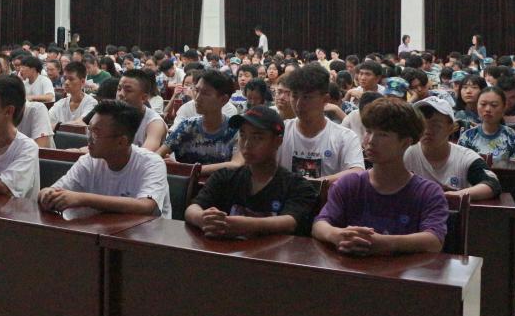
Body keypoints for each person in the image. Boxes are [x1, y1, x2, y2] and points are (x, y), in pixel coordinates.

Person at [312, 97, 449, 255]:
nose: (370, 141)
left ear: (405, 143)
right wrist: (336, 235)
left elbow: (434, 241)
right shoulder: (348, 184)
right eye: (368, 131)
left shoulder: (428, 192)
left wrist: (382, 243)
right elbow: (319, 225)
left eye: (382, 134)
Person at [186, 105, 318, 238]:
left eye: (257, 138)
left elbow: (290, 222)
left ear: (277, 141)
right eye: (243, 135)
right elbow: (192, 208)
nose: (247, 144)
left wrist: (245, 225)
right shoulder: (225, 176)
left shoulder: (297, 186)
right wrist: (202, 218)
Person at [38, 99, 171, 218]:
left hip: (144, 234)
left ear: (121, 142)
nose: (89, 138)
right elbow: (53, 190)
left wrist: (82, 199)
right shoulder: (88, 162)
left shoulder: (151, 163)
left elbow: (146, 206)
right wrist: (47, 194)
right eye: (89, 130)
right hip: (99, 231)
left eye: (96, 133)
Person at [278, 64, 364, 181]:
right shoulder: (280, 131)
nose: (298, 104)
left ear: (325, 99)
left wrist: (317, 183)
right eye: (294, 96)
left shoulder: (345, 137)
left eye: (307, 97)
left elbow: (357, 172)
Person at [404, 96, 500, 200]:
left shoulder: (464, 158)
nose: (427, 131)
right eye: (422, 124)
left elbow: (492, 184)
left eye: (436, 125)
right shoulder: (406, 153)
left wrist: (454, 195)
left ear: (452, 128)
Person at [156, 70, 244, 176]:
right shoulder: (187, 126)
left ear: (223, 99)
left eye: (205, 93)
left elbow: (236, 164)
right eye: (197, 90)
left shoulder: (235, 130)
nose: (197, 98)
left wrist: (184, 169)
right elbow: (158, 155)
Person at [458, 86, 515, 162]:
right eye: (483, 104)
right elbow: (459, 165)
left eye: (494, 105)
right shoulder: (467, 137)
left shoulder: (514, 138)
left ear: (504, 107)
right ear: (477, 105)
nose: (487, 109)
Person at [116, 69, 168, 151]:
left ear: (143, 98)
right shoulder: (111, 116)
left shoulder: (155, 123)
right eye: (119, 89)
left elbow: (146, 154)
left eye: (128, 90)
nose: (120, 94)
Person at [50, 61, 97, 128]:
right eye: (65, 78)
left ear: (82, 82)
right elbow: (46, 124)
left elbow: (79, 123)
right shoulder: (60, 104)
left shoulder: (91, 103)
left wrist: (56, 126)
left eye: (71, 79)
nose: (66, 82)